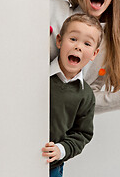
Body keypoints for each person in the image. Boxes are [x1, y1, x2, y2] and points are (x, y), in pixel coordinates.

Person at [42, 13, 103, 177]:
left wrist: (60, 150)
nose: (78, 47)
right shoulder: (38, 76)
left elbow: (82, 134)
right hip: (17, 157)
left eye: (87, 43)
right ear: (59, 41)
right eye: (73, 39)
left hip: (51, 166)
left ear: (94, 54)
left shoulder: (86, 95)